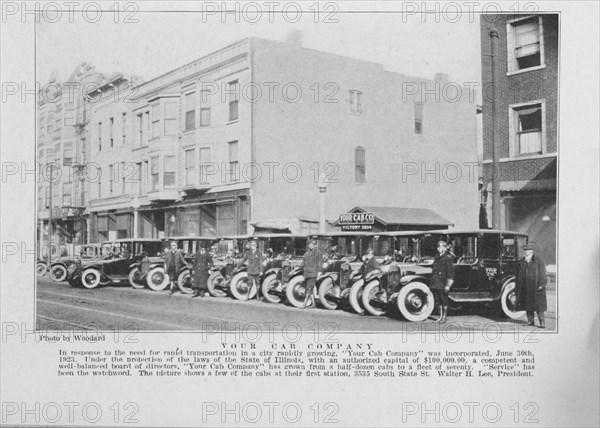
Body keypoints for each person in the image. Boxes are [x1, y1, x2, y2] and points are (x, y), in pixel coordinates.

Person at [516, 243, 547, 328]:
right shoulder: (522, 261)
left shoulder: (538, 260)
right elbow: (519, 275)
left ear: (532, 251)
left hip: (536, 286)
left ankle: (542, 323)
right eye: (525, 250)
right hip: (526, 286)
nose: (527, 252)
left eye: (529, 250)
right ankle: (530, 321)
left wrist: (541, 284)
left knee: (539, 306)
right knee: (528, 305)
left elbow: (542, 273)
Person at [430, 240, 455, 323]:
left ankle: (444, 317)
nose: (439, 248)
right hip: (436, 282)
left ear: (445, 248)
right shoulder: (436, 257)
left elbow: (450, 273)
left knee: (444, 300)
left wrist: (448, 285)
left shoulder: (448, 258)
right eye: (438, 247)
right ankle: (440, 316)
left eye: (441, 247)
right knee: (438, 300)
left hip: (443, 283)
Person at [299, 239, 323, 308]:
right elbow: (303, 263)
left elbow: (320, 263)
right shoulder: (306, 253)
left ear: (315, 245)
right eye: (310, 244)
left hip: (313, 273)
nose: (311, 245)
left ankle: (304, 304)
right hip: (306, 274)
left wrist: (319, 272)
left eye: (312, 244)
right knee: (310, 289)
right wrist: (298, 268)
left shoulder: (318, 252)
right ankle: (313, 304)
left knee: (308, 288)